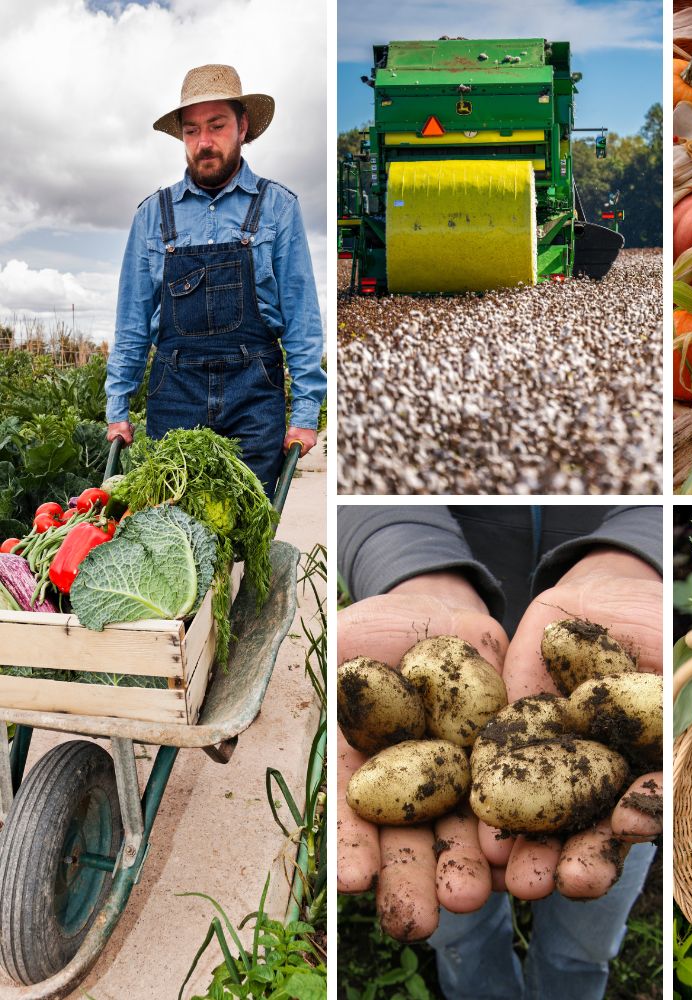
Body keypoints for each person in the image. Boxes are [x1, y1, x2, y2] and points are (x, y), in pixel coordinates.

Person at [338, 506, 663, 1000]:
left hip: (609, 649)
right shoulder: (460, 737)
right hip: (449, 608)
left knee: (585, 933)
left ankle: (570, 977)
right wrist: (411, 565)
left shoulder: (587, 709)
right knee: (460, 925)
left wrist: (632, 555)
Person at [104, 64, 326, 497]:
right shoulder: (152, 215)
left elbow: (302, 319)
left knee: (248, 527)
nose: (204, 142)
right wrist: (118, 408)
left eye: (217, 125)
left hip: (254, 395)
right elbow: (131, 322)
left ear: (242, 127)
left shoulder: (278, 208)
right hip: (175, 394)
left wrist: (304, 413)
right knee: (172, 532)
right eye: (191, 131)